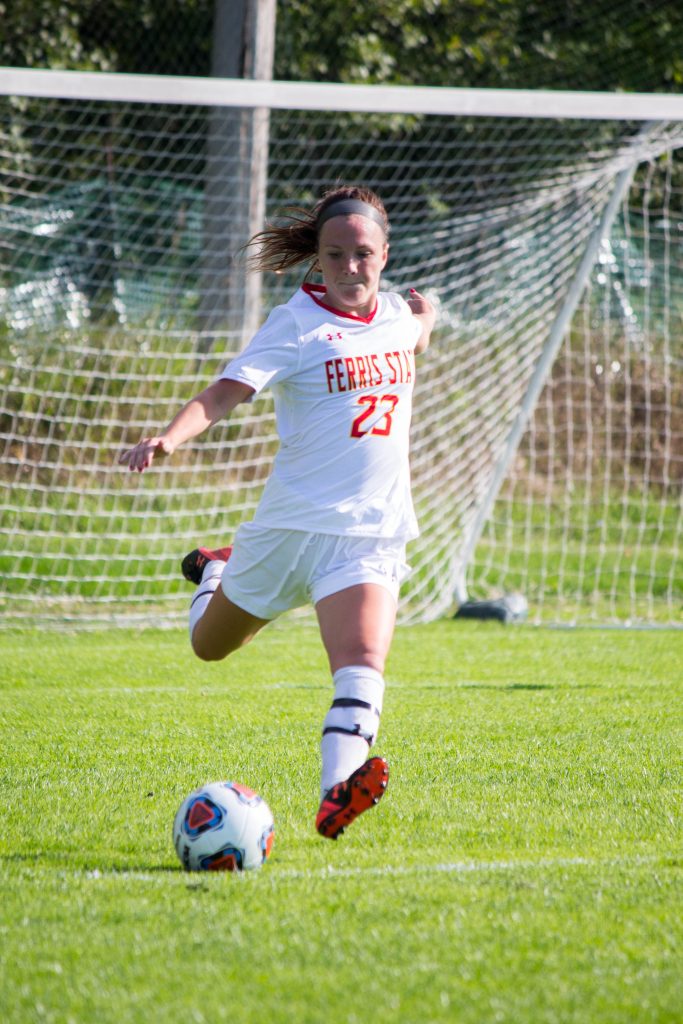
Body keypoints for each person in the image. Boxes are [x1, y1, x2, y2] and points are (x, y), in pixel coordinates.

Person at [119, 184, 436, 840]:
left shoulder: (397, 319)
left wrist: (425, 320)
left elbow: (413, 336)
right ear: (316, 259)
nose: (350, 267)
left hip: (366, 534)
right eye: (335, 255)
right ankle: (214, 571)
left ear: (384, 254)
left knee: (362, 657)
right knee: (209, 648)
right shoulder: (295, 325)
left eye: (363, 255)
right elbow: (222, 392)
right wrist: (168, 439)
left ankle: (334, 793)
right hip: (289, 530)